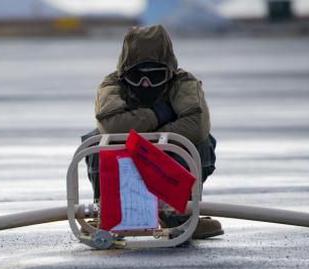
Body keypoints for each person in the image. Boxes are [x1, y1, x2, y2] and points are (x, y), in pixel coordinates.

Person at [86, 24, 222, 239]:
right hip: (126, 161)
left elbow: (197, 125)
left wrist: (154, 139)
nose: (146, 84)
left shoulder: (183, 83)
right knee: (95, 140)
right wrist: (159, 115)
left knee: (201, 143)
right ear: (124, 73)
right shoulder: (112, 84)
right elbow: (111, 125)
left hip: (171, 163)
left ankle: (181, 213)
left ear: (168, 72)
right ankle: (106, 210)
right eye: (137, 76)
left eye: (155, 76)